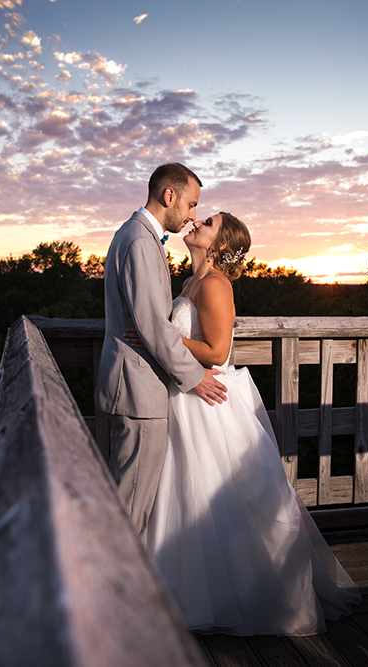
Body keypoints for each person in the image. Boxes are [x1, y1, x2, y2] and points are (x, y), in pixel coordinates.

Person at [129, 212, 361, 636]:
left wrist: (157, 337)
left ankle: (245, 596)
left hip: (208, 400)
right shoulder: (190, 282)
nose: (196, 223)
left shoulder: (215, 285)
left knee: (216, 499)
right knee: (186, 497)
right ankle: (190, 591)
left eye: (208, 222)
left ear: (219, 245)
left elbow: (217, 352)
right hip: (186, 397)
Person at [96, 163, 228, 543]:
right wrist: (196, 377)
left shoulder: (133, 234)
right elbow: (153, 325)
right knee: (130, 513)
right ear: (170, 196)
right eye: (191, 204)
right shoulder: (140, 241)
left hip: (128, 387)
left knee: (124, 504)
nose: (192, 215)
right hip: (138, 393)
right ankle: (119, 581)